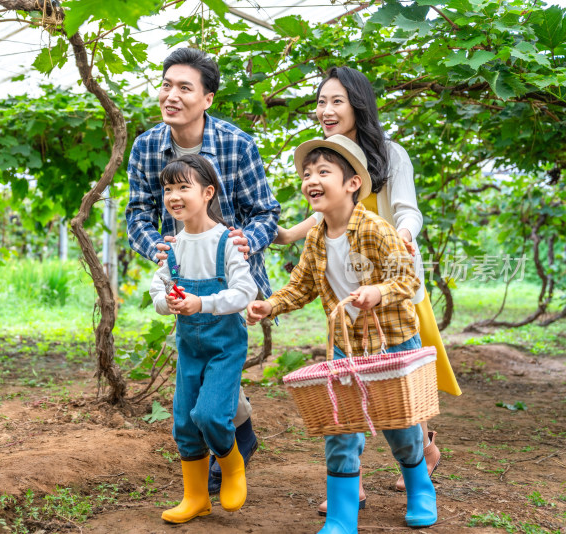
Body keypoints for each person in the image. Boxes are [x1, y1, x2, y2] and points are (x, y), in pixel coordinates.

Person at [274, 66, 461, 505]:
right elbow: (322, 217)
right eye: (320, 101)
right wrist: (283, 236)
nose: (326, 109)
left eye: (336, 100)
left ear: (358, 104)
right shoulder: (326, 160)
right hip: (348, 300)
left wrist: (405, 239)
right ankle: (350, 482)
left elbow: (406, 209)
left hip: (391, 281)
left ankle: (420, 459)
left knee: (401, 385)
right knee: (353, 400)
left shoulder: (389, 154)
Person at [247, 135, 438, 532]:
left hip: (392, 342)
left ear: (352, 184)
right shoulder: (316, 238)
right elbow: (300, 286)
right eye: (306, 173)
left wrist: (377, 291)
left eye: (322, 172)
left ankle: (420, 489)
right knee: (341, 428)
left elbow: (406, 277)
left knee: (400, 426)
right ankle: (341, 516)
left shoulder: (376, 229)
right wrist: (270, 305)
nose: (311, 180)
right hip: (347, 347)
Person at [125, 47, 280, 492]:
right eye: (166, 85)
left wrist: (243, 240)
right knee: (201, 370)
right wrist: (159, 248)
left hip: (230, 272)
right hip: (180, 271)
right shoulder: (147, 147)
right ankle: (240, 440)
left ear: (207, 98)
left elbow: (265, 213)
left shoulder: (237, 144)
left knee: (221, 359)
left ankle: (234, 445)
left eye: (184, 88)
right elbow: (138, 212)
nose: (170, 95)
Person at [150, 154, 258, 523]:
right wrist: (168, 301)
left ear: (208, 192)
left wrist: (204, 303)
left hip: (224, 346)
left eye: (184, 187)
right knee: (183, 420)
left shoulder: (225, 242)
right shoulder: (172, 245)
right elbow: (157, 289)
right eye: (168, 189)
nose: (174, 195)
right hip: (189, 346)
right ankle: (195, 497)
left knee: (209, 414)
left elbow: (246, 291)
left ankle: (232, 464)